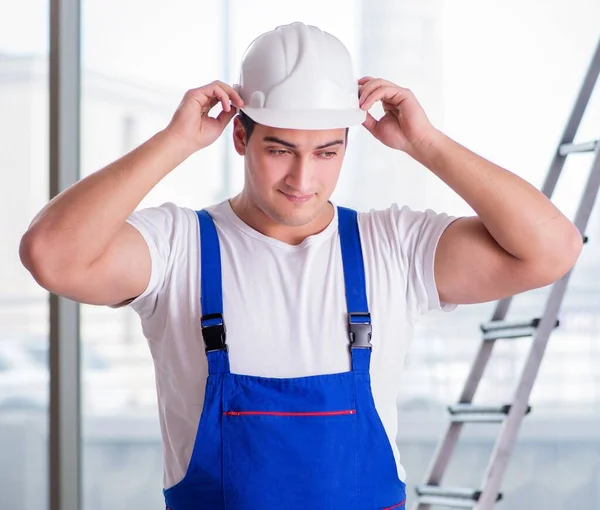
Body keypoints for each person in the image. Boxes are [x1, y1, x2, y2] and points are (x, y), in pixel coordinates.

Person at [20, 22, 582, 510]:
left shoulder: (392, 245)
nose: (302, 180)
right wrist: (175, 142)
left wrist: (426, 143)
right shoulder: (179, 247)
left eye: (326, 153)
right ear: (239, 135)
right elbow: (51, 254)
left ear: (347, 145)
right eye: (280, 149)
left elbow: (552, 249)